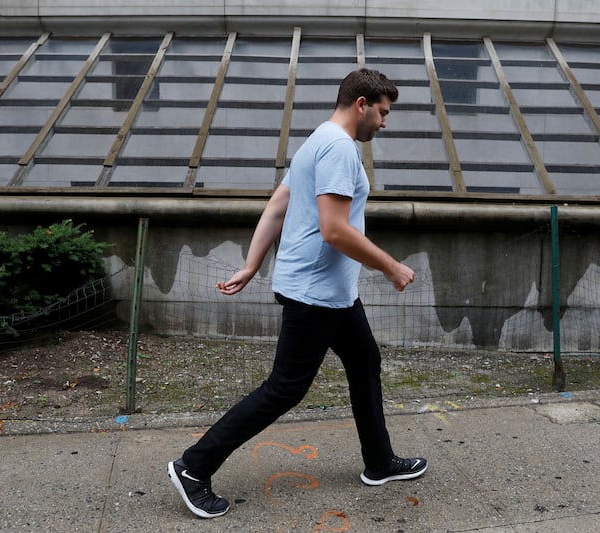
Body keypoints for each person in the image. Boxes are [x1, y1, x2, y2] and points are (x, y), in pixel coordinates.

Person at [168, 68, 426, 519]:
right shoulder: (341, 149)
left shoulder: (318, 138)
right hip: (315, 294)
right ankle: (194, 466)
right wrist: (391, 266)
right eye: (382, 113)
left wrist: (252, 264)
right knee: (284, 389)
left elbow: (278, 204)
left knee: (365, 361)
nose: (385, 123)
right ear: (361, 104)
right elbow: (333, 230)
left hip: (331, 291)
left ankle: (379, 462)